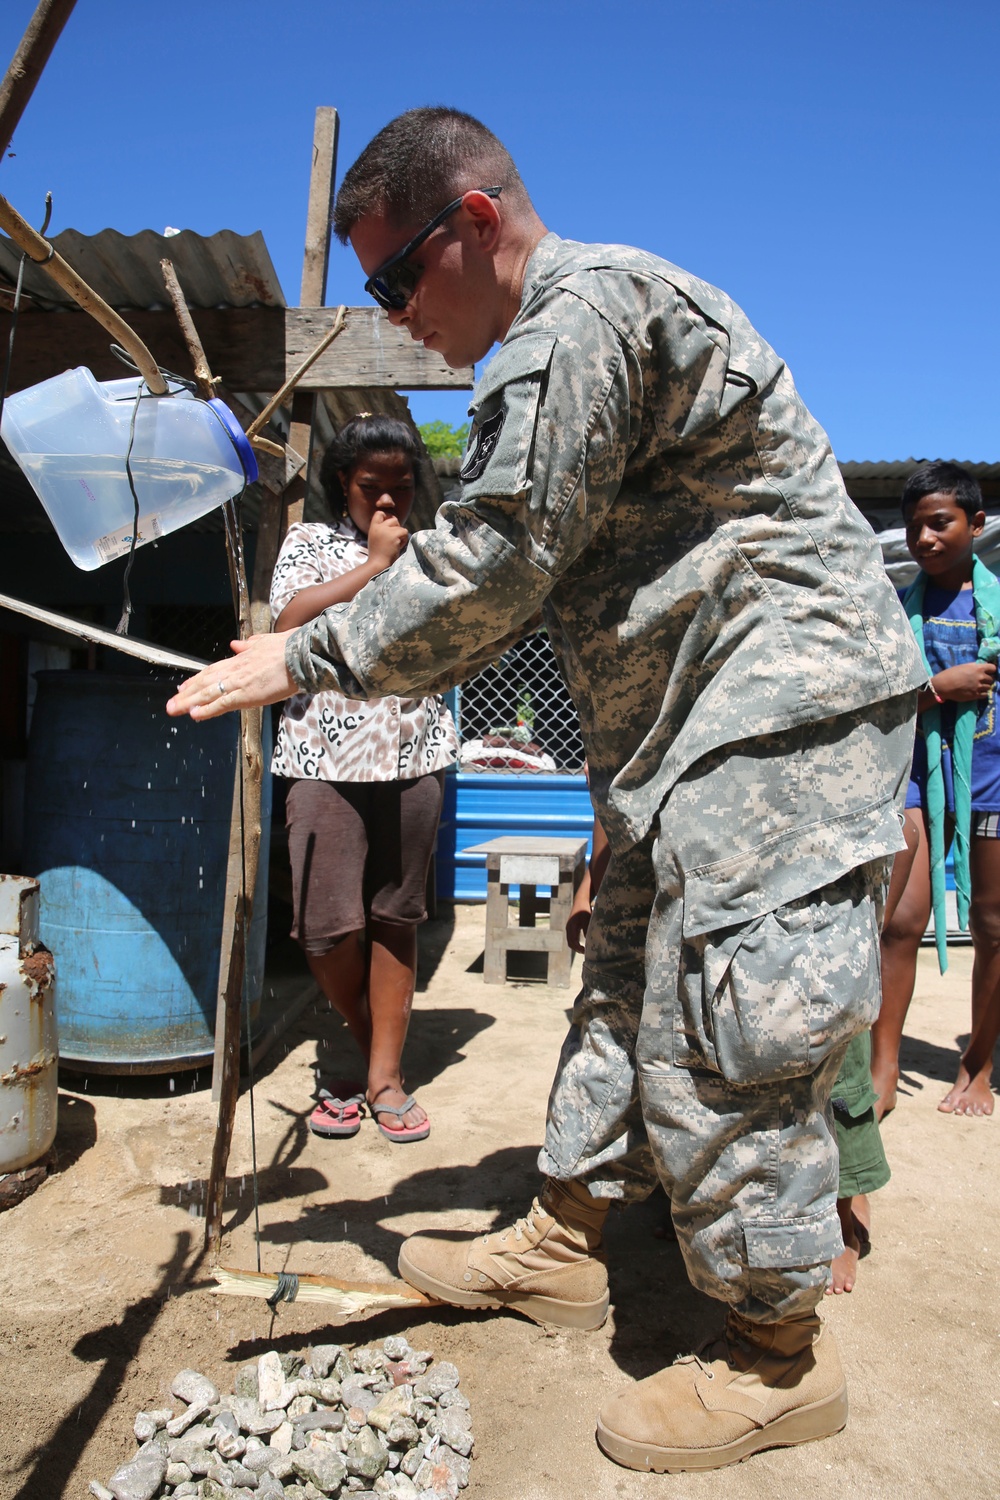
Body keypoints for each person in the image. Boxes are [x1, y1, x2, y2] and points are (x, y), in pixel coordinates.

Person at [167, 107, 926, 1473]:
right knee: (625, 981)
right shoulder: (561, 339)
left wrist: (308, 655)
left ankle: (777, 1356)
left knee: (729, 1025)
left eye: (399, 282)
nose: (399, 321)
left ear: (472, 223)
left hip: (778, 717)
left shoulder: (579, 320)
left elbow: (499, 562)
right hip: (683, 732)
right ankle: (566, 1242)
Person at [269, 413, 457, 1142]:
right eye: (369, 489)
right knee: (322, 930)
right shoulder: (310, 543)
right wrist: (374, 566)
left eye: (400, 490)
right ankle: (361, 1037)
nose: (386, 505)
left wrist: (406, 560)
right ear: (341, 486)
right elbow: (288, 622)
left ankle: (381, 1076)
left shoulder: (436, 551)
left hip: (412, 754)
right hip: (322, 758)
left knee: (396, 914)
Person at [871, 461, 1000, 1120]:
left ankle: (976, 1065)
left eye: (940, 522)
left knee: (993, 927)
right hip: (915, 780)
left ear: (975, 525)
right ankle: (883, 1061)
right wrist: (936, 691)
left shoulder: (997, 604)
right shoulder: (899, 610)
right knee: (897, 922)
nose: (924, 538)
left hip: (992, 783)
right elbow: (880, 699)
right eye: (915, 525)